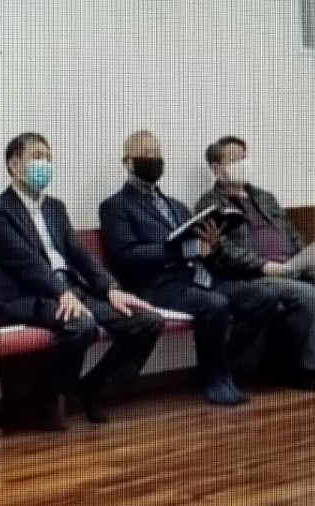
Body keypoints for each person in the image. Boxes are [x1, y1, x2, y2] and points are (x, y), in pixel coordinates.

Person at [0, 132, 163, 430]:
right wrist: (60, 291)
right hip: (28, 297)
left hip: (71, 293)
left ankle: (92, 387)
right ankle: (46, 399)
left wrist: (111, 289)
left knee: (147, 320)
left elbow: (79, 254)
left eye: (48, 158)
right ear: (13, 164)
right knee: (81, 325)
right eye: (37, 157)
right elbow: (22, 260)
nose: (44, 164)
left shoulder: (56, 207)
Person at [99, 130, 281, 404]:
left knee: (263, 297)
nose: (154, 158)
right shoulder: (115, 206)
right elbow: (127, 254)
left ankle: (228, 367)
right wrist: (186, 250)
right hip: (156, 286)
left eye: (157, 153)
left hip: (197, 279)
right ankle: (214, 379)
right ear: (128, 162)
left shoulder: (177, 206)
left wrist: (211, 244)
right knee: (215, 304)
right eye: (146, 153)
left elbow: (198, 249)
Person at [196, 135, 315, 386]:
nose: (242, 164)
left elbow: (290, 232)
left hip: (293, 267)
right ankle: (303, 369)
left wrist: (308, 255)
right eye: (234, 160)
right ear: (216, 168)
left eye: (244, 158)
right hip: (257, 275)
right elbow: (222, 250)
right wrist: (263, 265)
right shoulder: (209, 204)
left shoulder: (265, 197)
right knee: (305, 293)